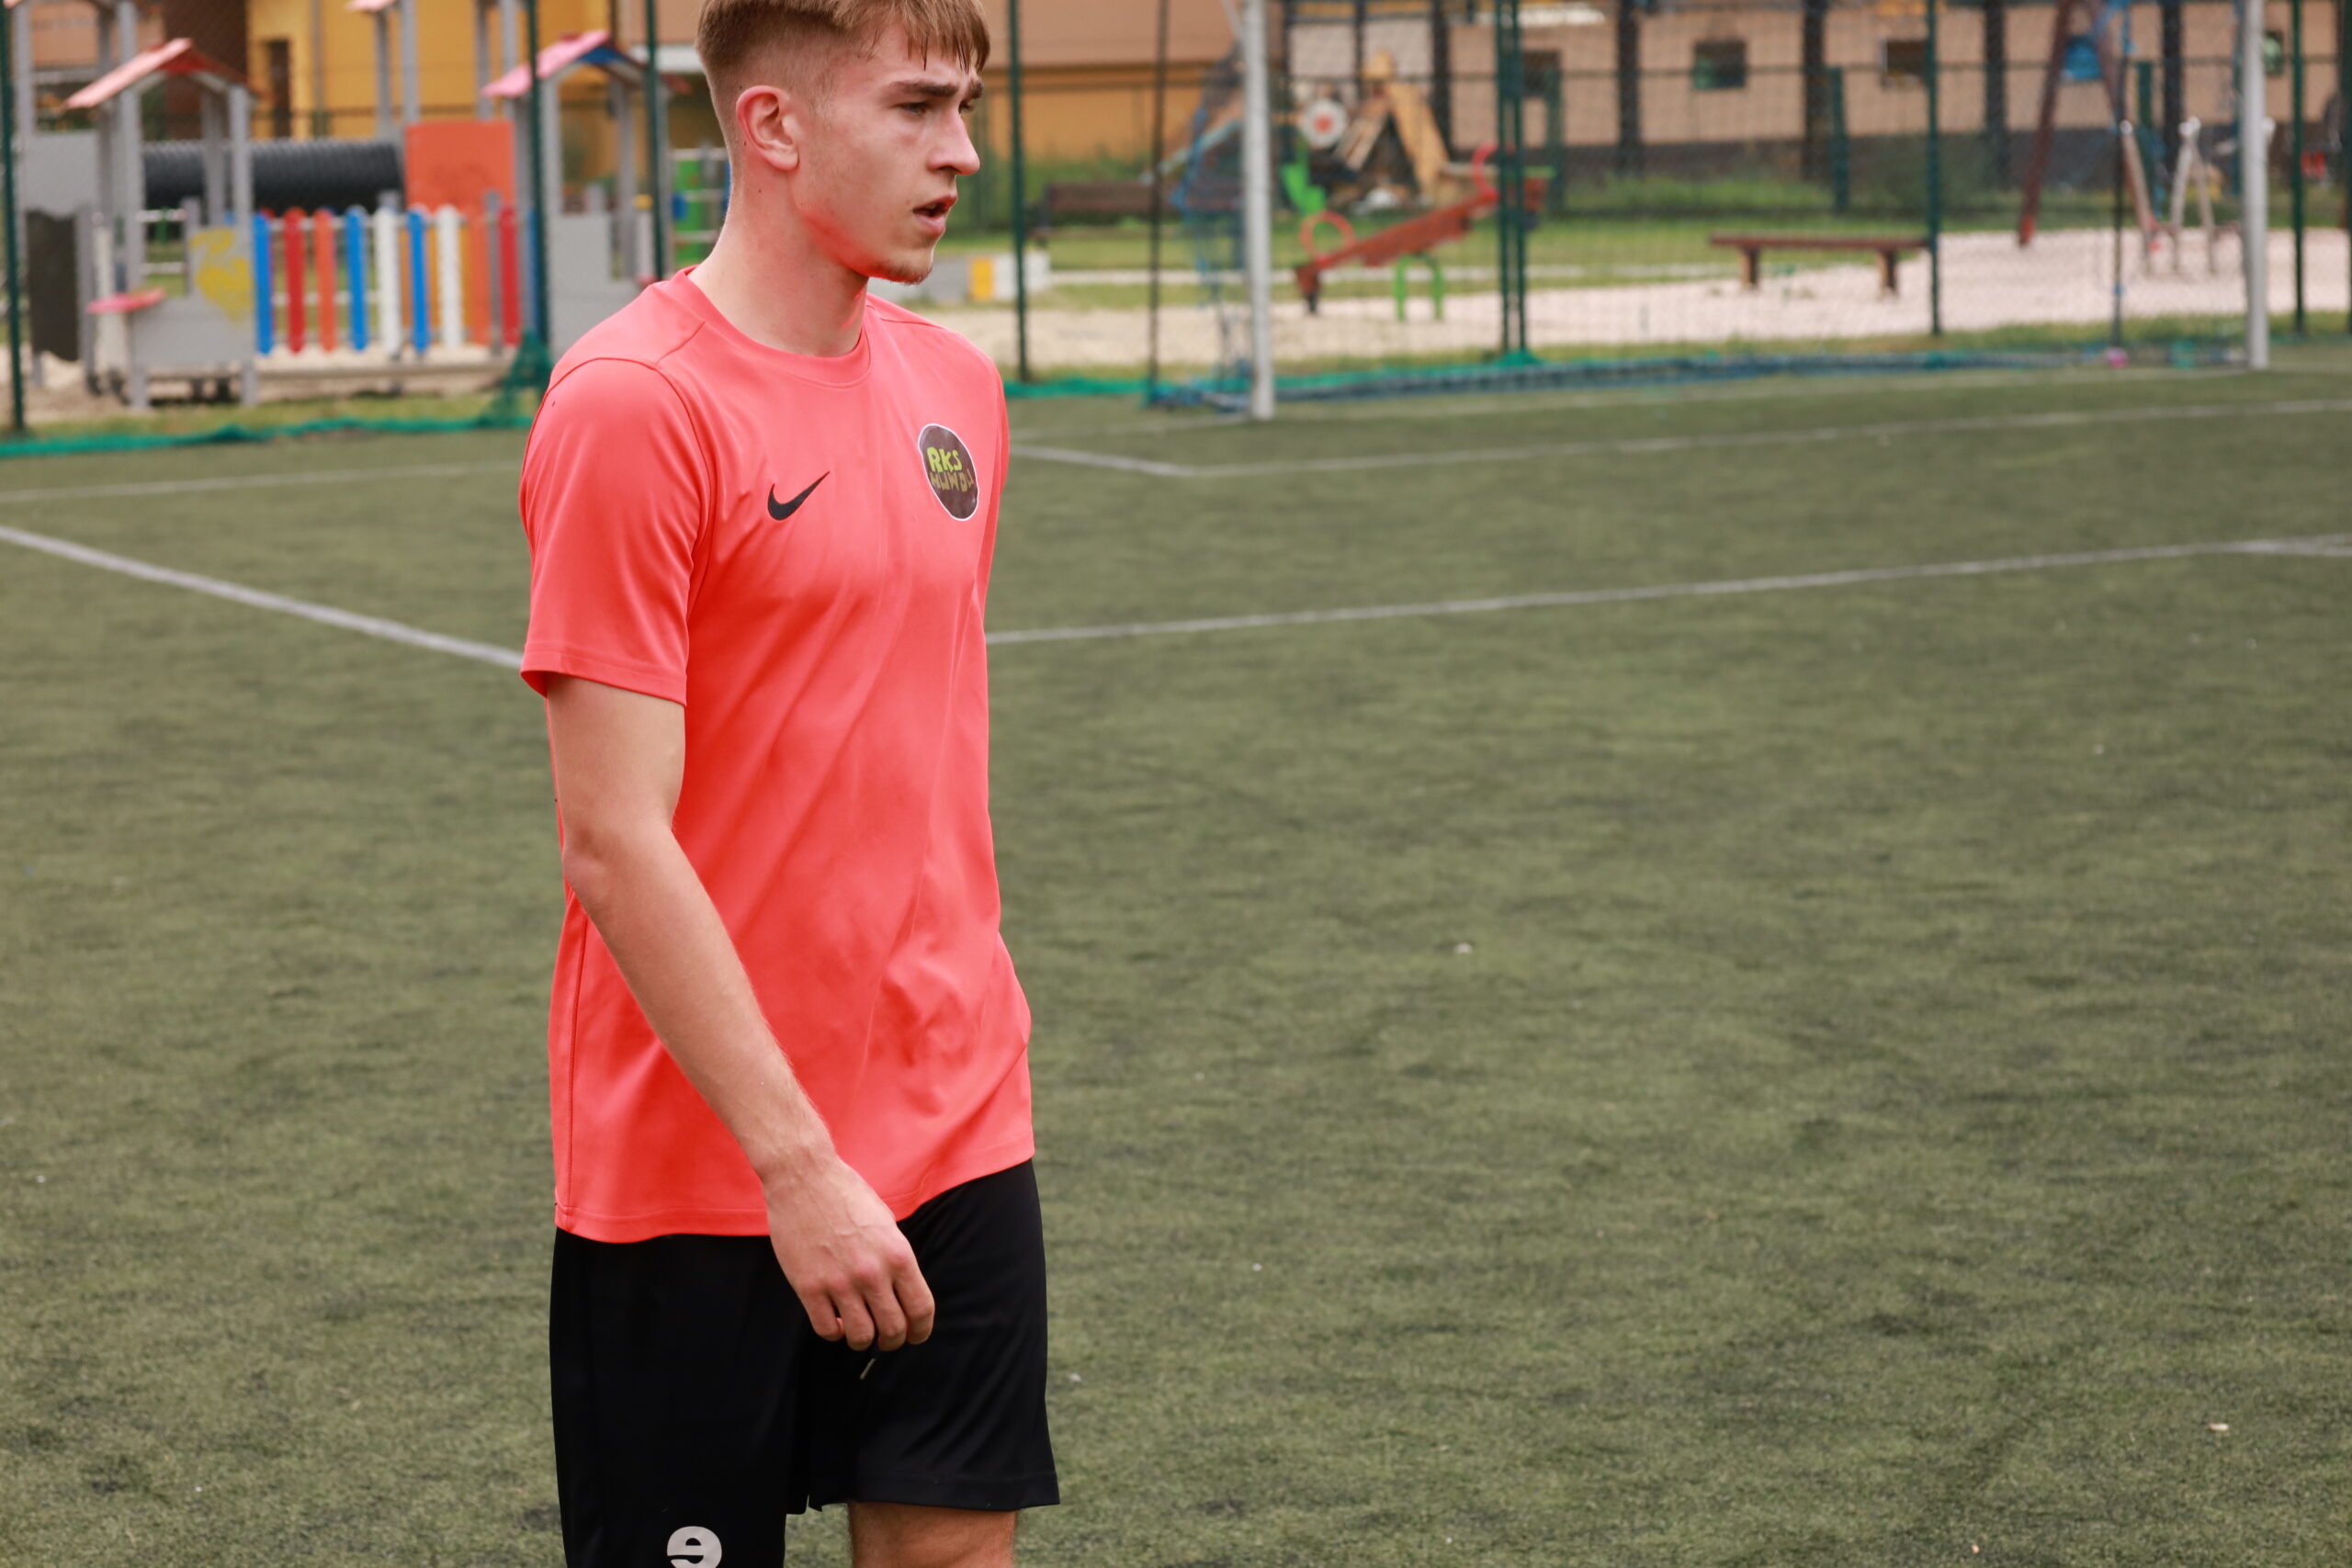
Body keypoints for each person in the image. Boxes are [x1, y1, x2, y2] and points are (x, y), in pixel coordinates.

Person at [514, 1, 1052, 1563]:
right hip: (705, 1157)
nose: (963, 152)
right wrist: (798, 1166)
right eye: (919, 108)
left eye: (967, 108)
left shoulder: (960, 390)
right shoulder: (636, 405)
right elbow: (613, 839)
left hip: (955, 1114)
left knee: (954, 1547)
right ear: (773, 127)